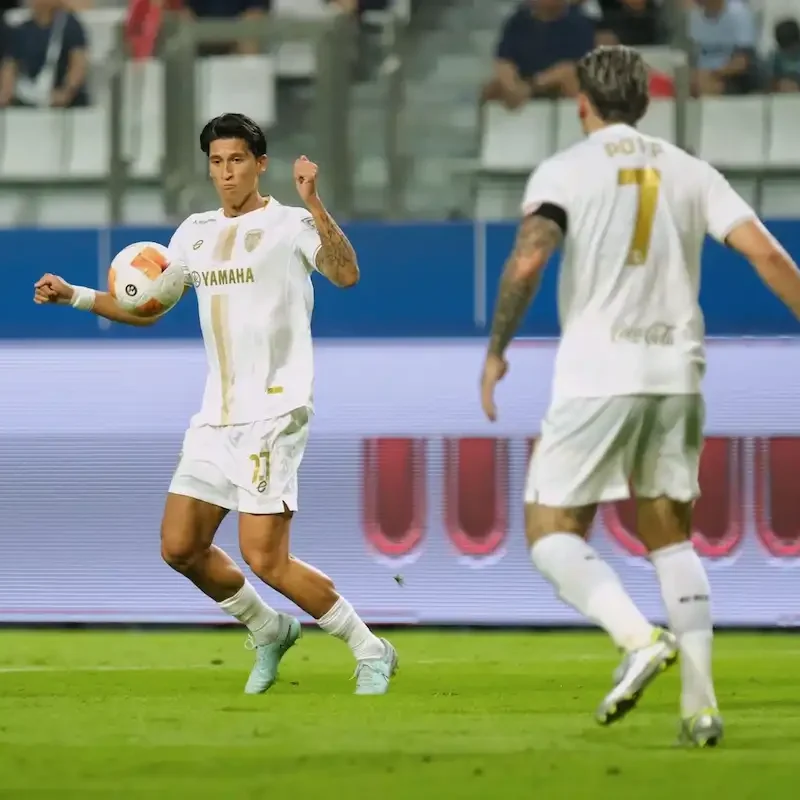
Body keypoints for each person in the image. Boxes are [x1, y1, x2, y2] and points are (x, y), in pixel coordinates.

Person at [479, 45, 800, 747]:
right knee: (671, 538)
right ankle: (702, 707)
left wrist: (499, 349)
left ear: (582, 104)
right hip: (676, 374)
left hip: (598, 374)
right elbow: (768, 255)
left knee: (549, 532)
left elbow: (530, 256)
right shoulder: (691, 171)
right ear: (647, 102)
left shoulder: (565, 170)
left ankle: (637, 639)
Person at [33, 113, 398, 697]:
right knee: (179, 546)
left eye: (236, 161)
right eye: (216, 162)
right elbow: (150, 304)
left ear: (259, 164)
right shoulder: (193, 234)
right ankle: (268, 627)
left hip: (276, 411)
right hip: (216, 416)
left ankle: (370, 648)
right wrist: (75, 296)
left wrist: (316, 202)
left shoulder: (291, 222)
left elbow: (347, 274)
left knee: (266, 557)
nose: (226, 173)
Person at [482, 0, 595, 109]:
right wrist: (511, 86)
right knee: (492, 89)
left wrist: (533, 85)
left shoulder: (578, 22)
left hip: (553, 83)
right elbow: (503, 61)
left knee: (569, 77)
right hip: (522, 82)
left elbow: (573, 66)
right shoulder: (518, 20)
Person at [0, 0, 89, 108]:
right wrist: (5, 93)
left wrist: (66, 92)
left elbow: (78, 65)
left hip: (64, 104)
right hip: (29, 99)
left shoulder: (71, 27)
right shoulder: (21, 31)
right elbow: (9, 66)